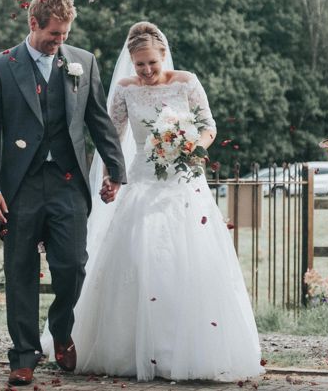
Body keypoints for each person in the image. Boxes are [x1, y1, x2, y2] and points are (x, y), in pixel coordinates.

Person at [53, 22, 263, 381]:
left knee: (187, 258)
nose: (147, 71)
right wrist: (109, 175)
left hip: (184, 182)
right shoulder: (124, 90)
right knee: (142, 254)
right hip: (143, 181)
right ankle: (136, 349)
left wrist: (192, 145)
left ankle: (185, 349)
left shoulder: (186, 81)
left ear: (163, 54)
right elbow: (111, 138)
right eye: (140, 65)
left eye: (151, 63)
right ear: (131, 64)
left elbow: (209, 125)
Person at [0, 0, 127, 387]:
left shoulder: (83, 62)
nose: (59, 41)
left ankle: (60, 330)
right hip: (20, 187)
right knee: (20, 270)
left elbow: (99, 121)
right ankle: (23, 356)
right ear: (33, 24)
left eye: (64, 34)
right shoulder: (1, 66)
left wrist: (115, 169)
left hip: (67, 183)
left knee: (73, 266)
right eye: (52, 34)